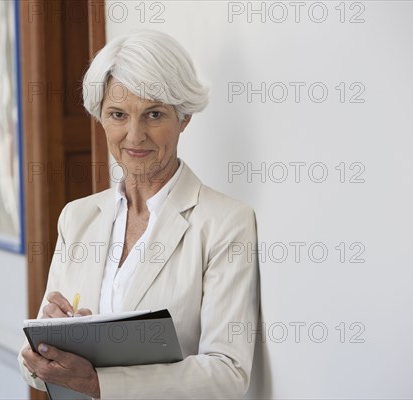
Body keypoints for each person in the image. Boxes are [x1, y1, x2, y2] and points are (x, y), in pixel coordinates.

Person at [18, 29, 259, 399]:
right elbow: (33, 369)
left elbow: (228, 374)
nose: (134, 135)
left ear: (184, 117)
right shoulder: (77, 218)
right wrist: (44, 349)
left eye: (154, 114)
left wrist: (98, 384)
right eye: (118, 114)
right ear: (100, 117)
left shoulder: (224, 224)